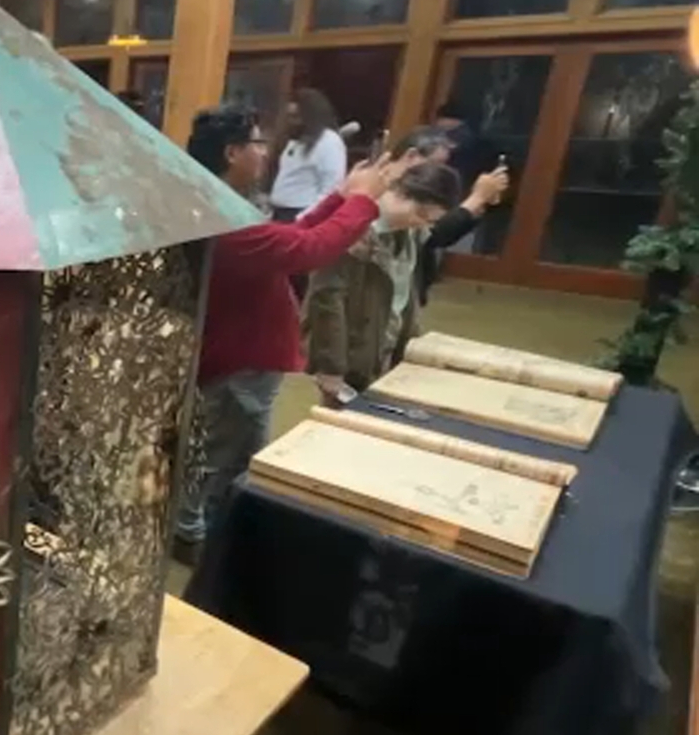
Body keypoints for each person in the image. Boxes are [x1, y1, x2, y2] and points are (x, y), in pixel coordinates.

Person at [177, 104, 391, 551]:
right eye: (258, 143)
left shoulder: (211, 201)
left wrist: (342, 199)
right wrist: (362, 203)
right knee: (228, 457)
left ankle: (197, 530)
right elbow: (307, 249)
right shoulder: (220, 217)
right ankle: (198, 540)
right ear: (234, 152)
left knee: (221, 450)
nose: (265, 152)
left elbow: (289, 238)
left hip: (240, 351)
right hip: (240, 358)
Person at [304, 162, 466, 401]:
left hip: (387, 341)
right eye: (420, 214)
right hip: (352, 351)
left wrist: (411, 344)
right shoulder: (355, 227)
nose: (420, 224)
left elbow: (404, 292)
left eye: (429, 221)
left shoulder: (408, 231)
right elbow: (326, 300)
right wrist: (330, 366)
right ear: (399, 192)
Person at [384, 126, 512, 306]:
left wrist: (480, 202)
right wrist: (477, 198)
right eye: (435, 164)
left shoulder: (415, 188)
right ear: (411, 156)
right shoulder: (386, 187)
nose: (440, 171)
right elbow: (433, 233)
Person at [270, 88, 349, 224]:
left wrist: (303, 218)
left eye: (296, 117)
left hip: (300, 215)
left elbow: (331, 189)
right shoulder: (294, 140)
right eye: (289, 116)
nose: (291, 122)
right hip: (279, 215)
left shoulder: (328, 141)